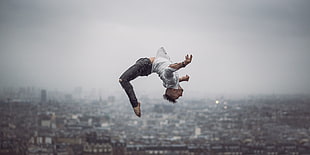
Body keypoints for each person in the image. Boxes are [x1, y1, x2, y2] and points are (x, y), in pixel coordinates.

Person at [119, 47, 193, 117]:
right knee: (124, 80)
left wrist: (184, 64)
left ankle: (135, 104)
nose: (180, 96)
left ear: (173, 91)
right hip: (146, 66)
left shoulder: (171, 81)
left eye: (177, 97)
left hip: (145, 65)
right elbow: (173, 81)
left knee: (123, 80)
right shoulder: (171, 83)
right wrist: (183, 79)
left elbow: (168, 70)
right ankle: (135, 104)